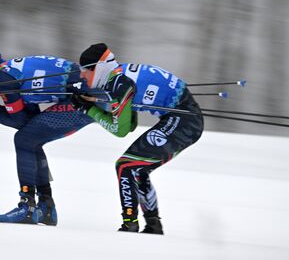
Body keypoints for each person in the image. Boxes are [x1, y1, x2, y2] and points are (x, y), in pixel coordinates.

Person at [72, 43, 204, 234]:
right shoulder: (117, 77)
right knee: (136, 168)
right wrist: (96, 103)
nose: (82, 76)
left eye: (85, 71)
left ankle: (130, 224)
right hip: (183, 116)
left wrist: (88, 109)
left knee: (126, 166)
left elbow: (121, 129)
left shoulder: (119, 85)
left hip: (185, 121)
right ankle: (152, 225)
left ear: (98, 68)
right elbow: (130, 123)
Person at [0, 44, 94, 225]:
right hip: (88, 98)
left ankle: (28, 207)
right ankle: (46, 207)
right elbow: (28, 120)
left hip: (83, 102)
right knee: (31, 138)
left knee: (24, 138)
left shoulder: (4, 78)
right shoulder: (10, 72)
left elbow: (19, 121)